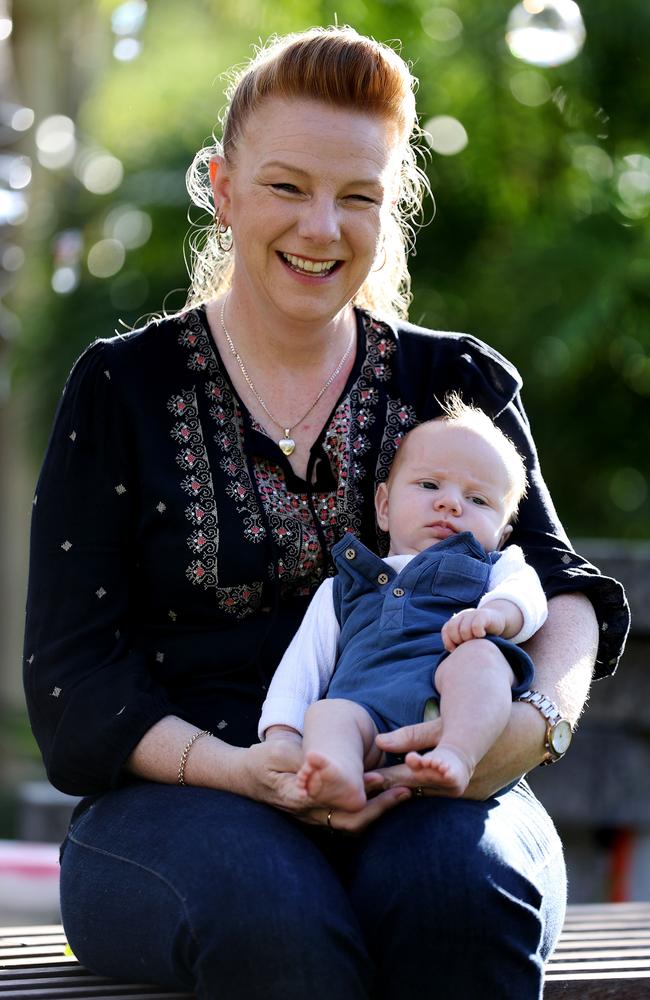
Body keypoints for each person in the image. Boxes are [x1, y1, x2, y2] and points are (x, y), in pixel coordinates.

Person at [23, 25, 629, 1000]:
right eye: (285, 186)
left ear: (392, 210)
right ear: (221, 186)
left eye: (358, 197)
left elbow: (561, 592)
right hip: (182, 797)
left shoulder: (454, 380)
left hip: (433, 773)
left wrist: (510, 738)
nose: (320, 228)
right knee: (269, 909)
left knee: (455, 893)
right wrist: (242, 770)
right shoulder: (118, 390)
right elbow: (73, 679)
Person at [259, 400, 548, 808]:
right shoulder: (343, 586)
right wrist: (283, 735)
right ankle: (336, 775)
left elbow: (528, 595)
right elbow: (303, 667)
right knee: (328, 714)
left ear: (501, 534)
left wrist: (495, 615)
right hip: (367, 722)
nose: (450, 504)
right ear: (384, 507)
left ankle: (457, 757)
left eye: (479, 500)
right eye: (430, 485)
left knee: (483, 660)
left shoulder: (493, 566)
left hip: (452, 711)